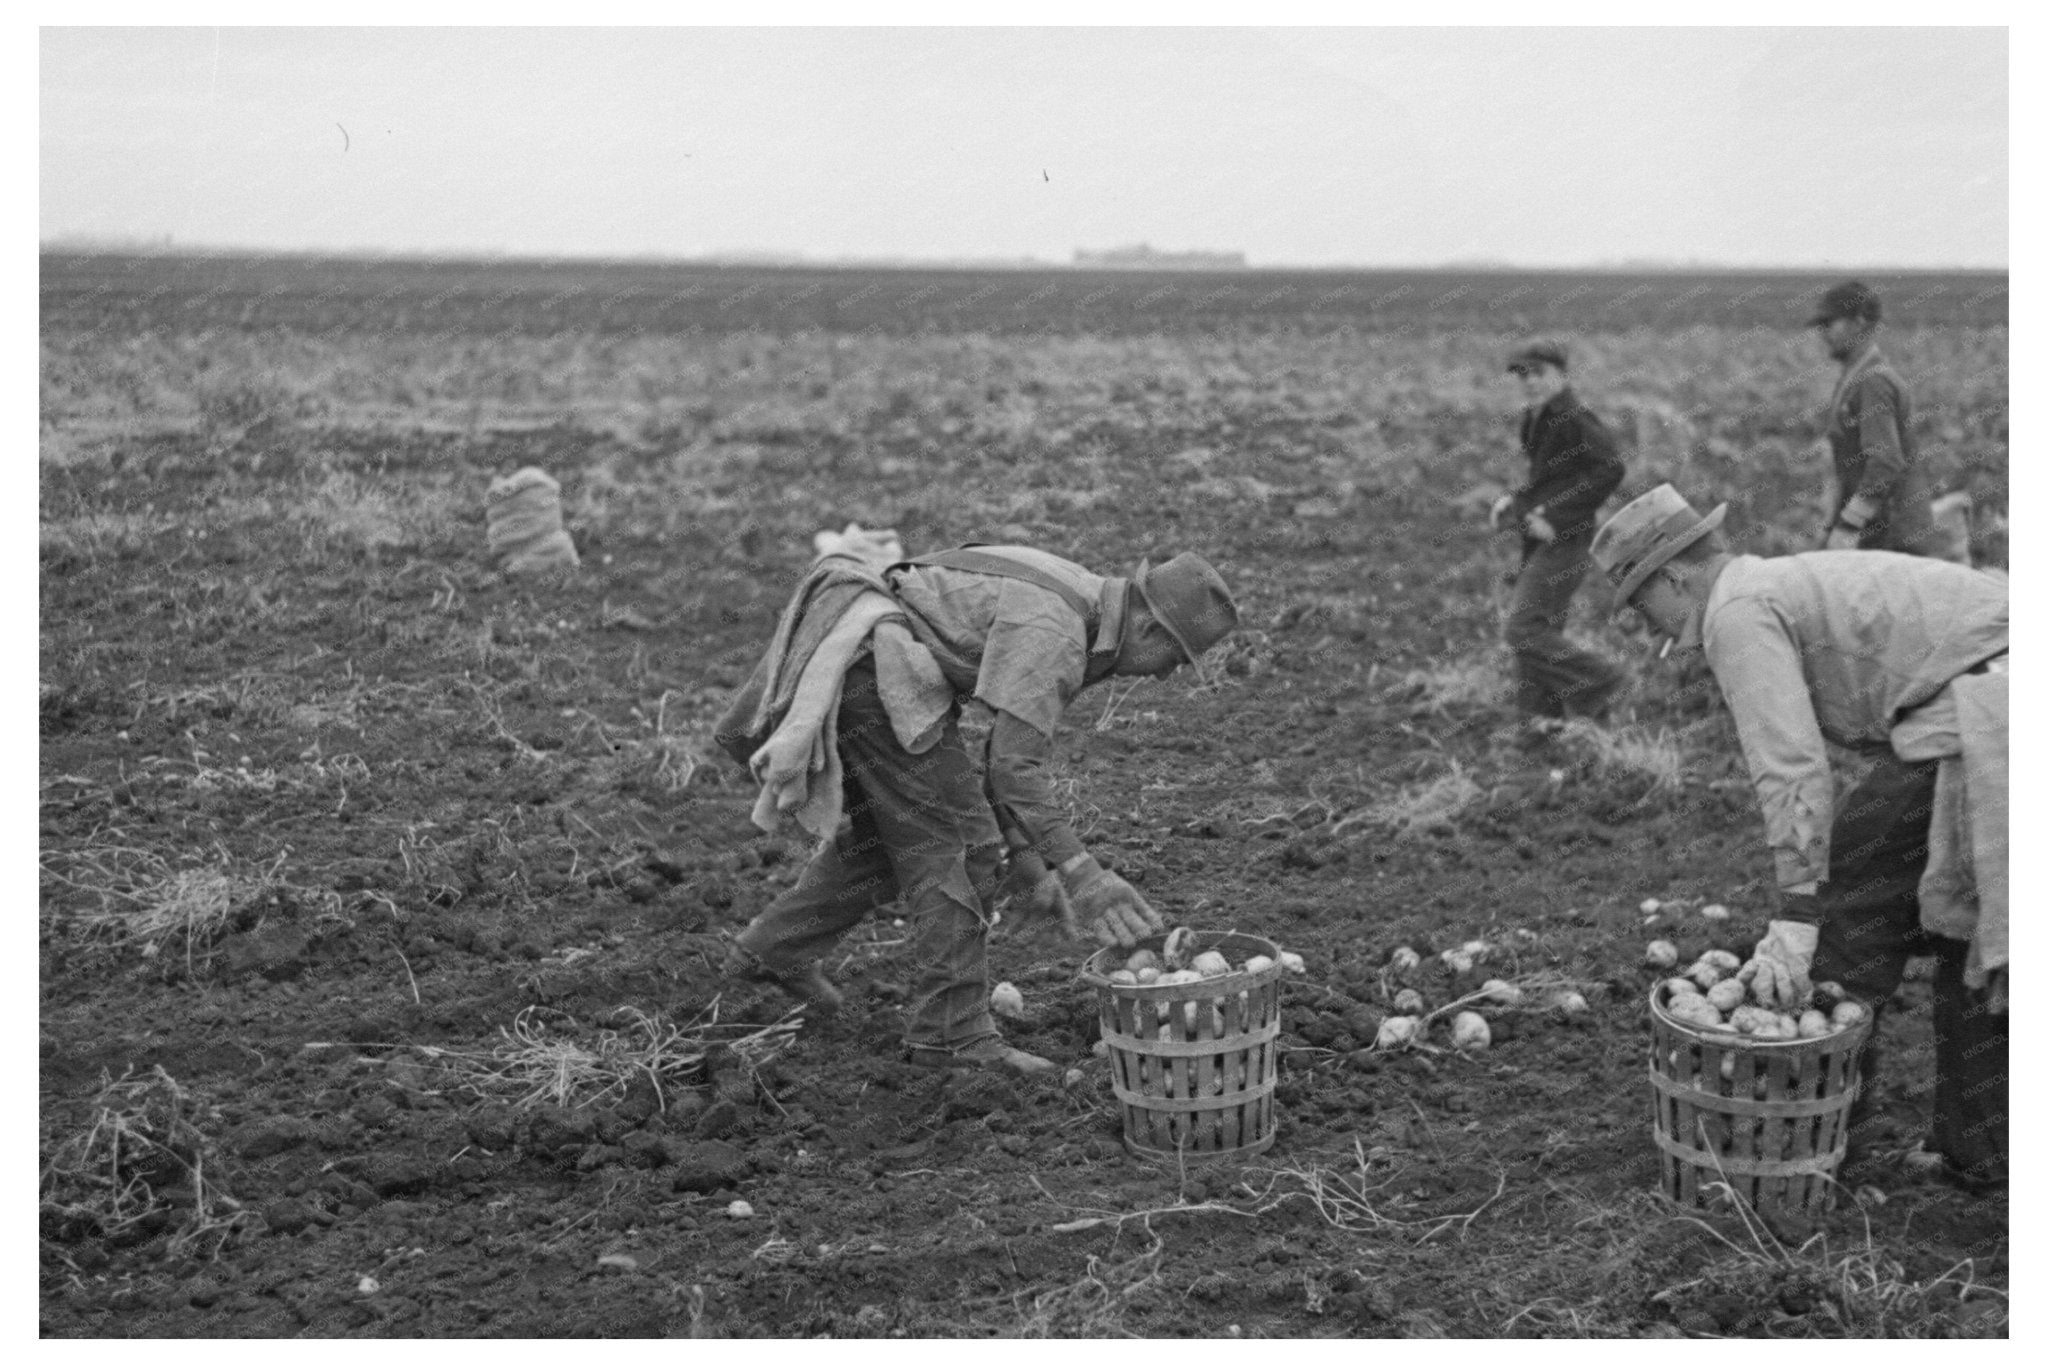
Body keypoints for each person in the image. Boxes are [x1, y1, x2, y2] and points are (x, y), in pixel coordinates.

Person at [1591, 485, 2007, 1189]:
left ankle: (1816, 1136)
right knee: (1965, 933)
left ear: (1674, 578)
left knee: (1850, 910)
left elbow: (1789, 766)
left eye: (1640, 602)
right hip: (1998, 701)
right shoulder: (1772, 584)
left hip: (1984, 714)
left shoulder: (1735, 610)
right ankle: (1983, 1151)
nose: (1642, 622)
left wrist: (1797, 911)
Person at [714, 542, 1239, 1077]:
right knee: (964, 848)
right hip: (874, 670)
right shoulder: (1058, 633)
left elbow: (1004, 754)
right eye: (1174, 660)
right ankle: (952, 1037)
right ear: (1149, 630)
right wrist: (1084, 873)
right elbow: (1014, 770)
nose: (1164, 676)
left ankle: (775, 949)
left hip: (873, 661)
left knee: (903, 836)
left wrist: (1027, 856)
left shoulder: (1090, 609)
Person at [1488, 339, 1628, 722]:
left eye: (1539, 373)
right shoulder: (1537, 417)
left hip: (1566, 540)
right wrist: (1515, 502)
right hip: (1542, 539)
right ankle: (1540, 729)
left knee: (1522, 631)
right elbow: (1551, 479)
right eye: (1523, 375)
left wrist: (1555, 515)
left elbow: (1610, 469)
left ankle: (1600, 680)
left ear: (1562, 375)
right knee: (1538, 634)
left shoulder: (1573, 417)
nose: (1530, 381)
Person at [1809, 281, 1940, 555]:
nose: (1822, 333)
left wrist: (1848, 525)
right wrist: (1831, 525)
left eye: (1829, 324)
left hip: (1894, 539)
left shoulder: (1873, 382)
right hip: (1877, 533)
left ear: (1858, 323)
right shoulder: (1855, 378)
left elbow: (1885, 462)